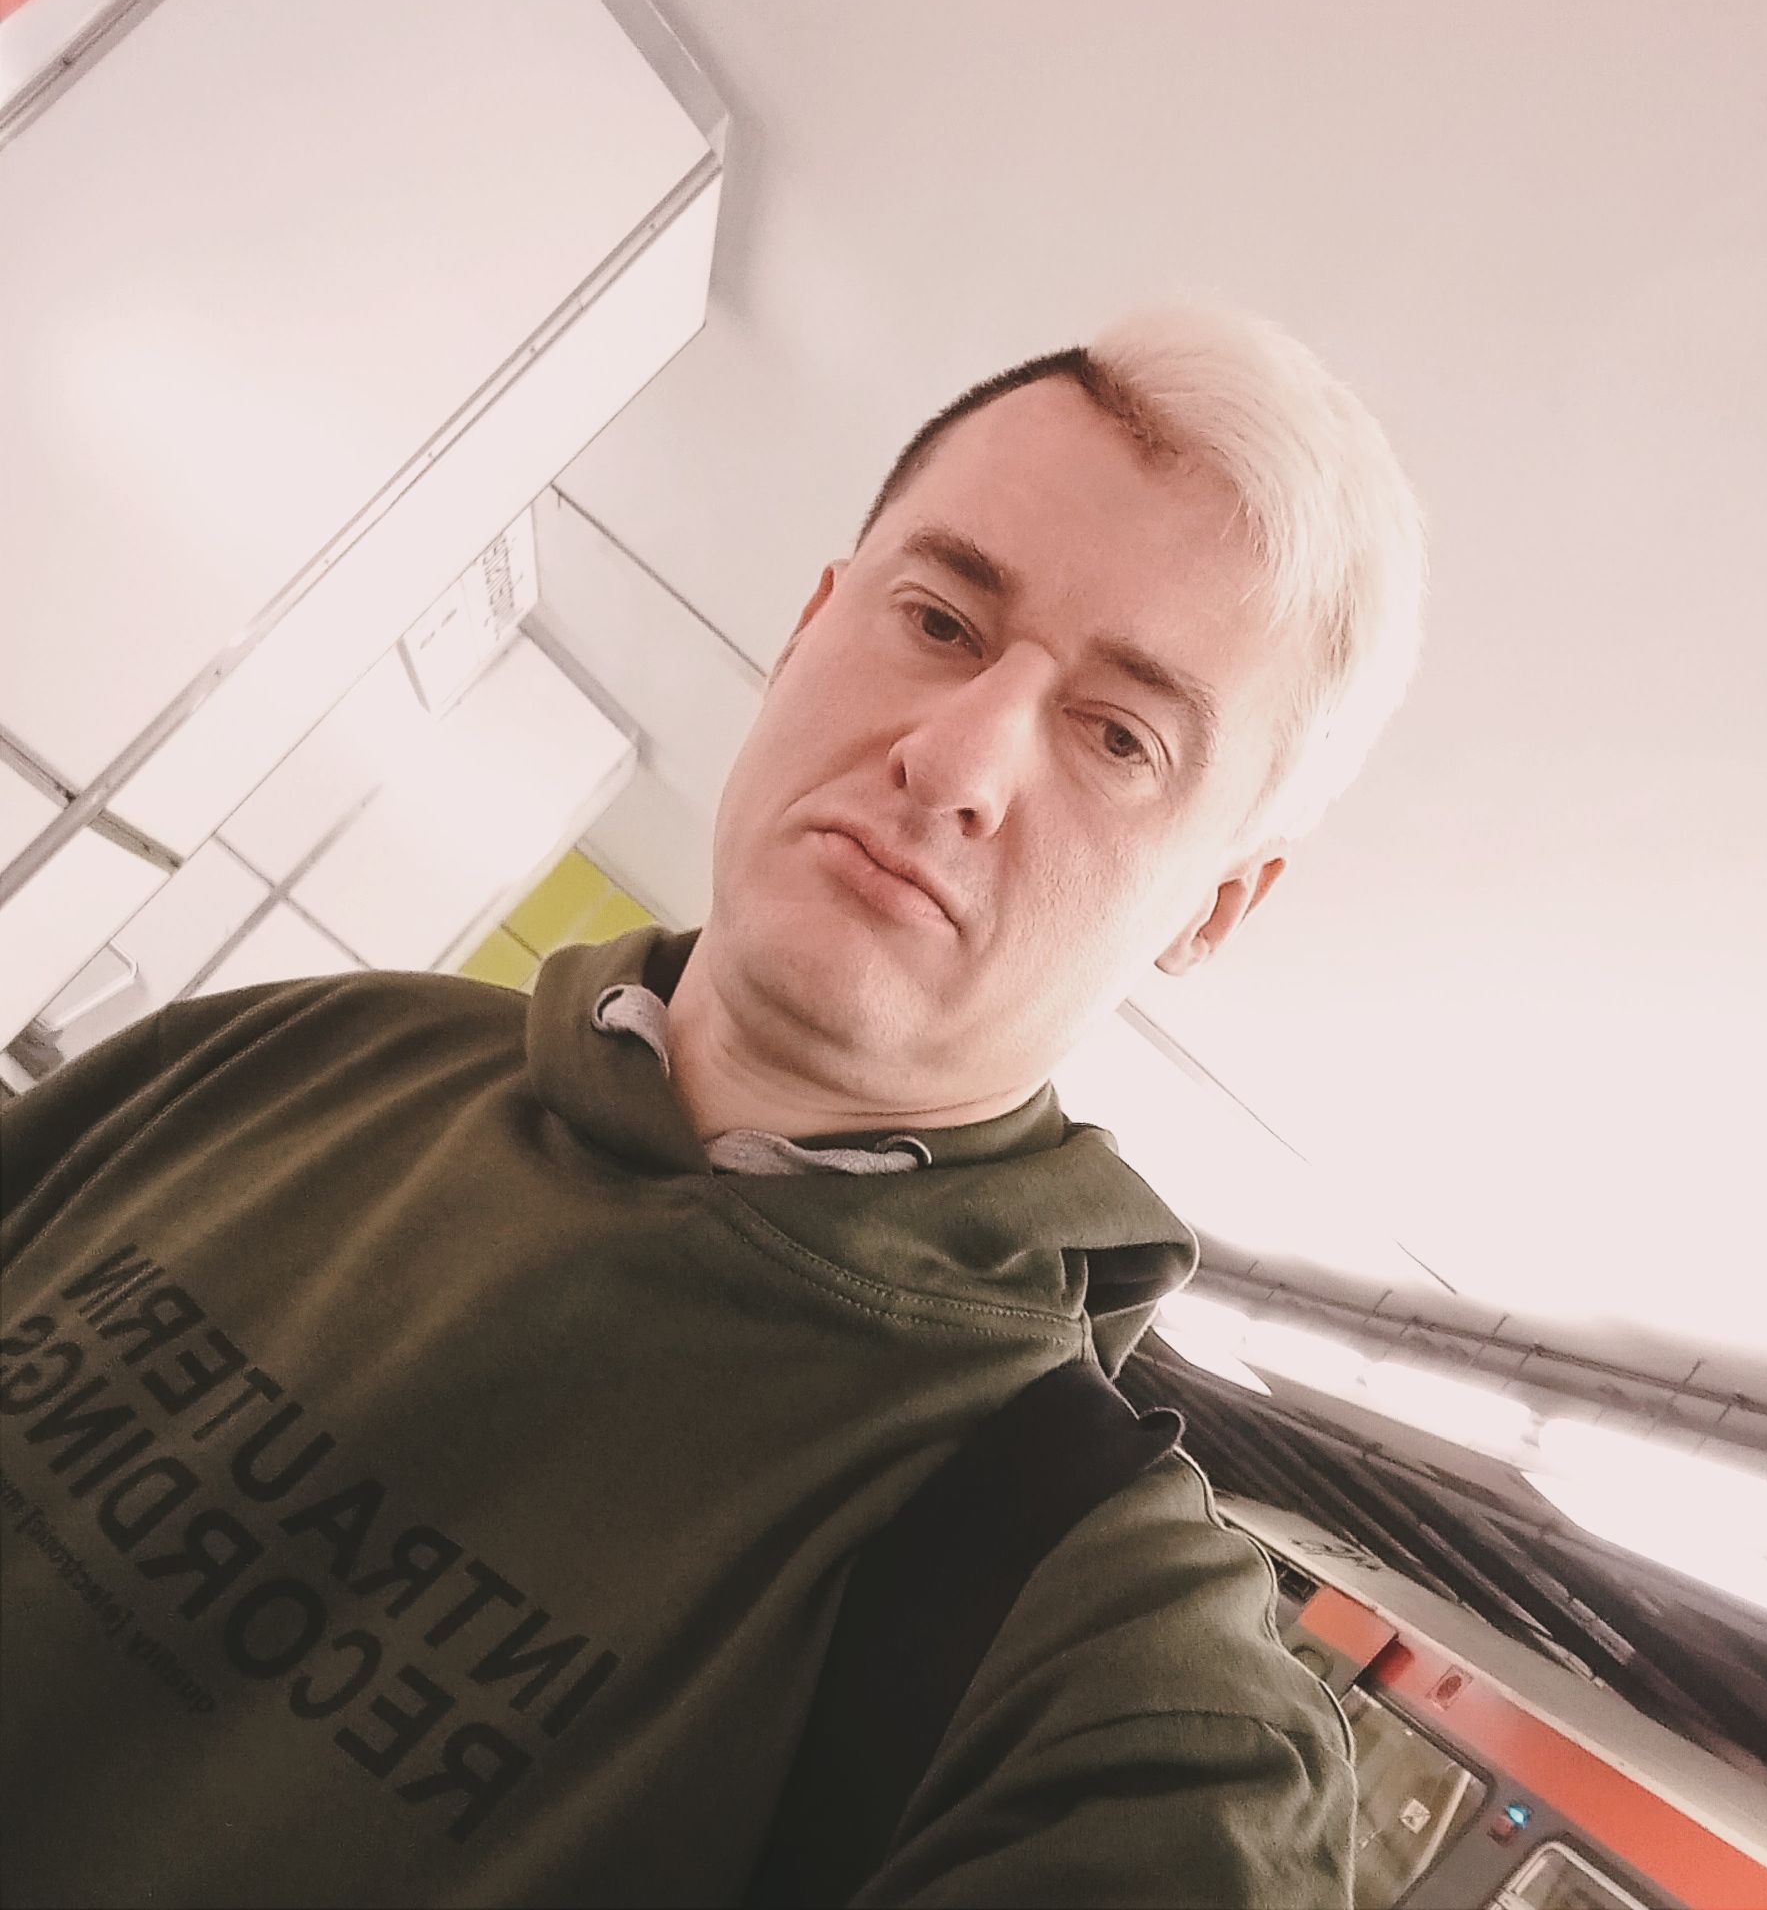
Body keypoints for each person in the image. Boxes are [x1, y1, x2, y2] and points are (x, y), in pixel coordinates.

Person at [0, 300, 1425, 1908]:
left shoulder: (1100, 1660)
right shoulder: (294, 1054)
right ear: (809, 626)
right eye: (940, 620)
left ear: (1213, 907)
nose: (955, 761)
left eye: (1118, 736)